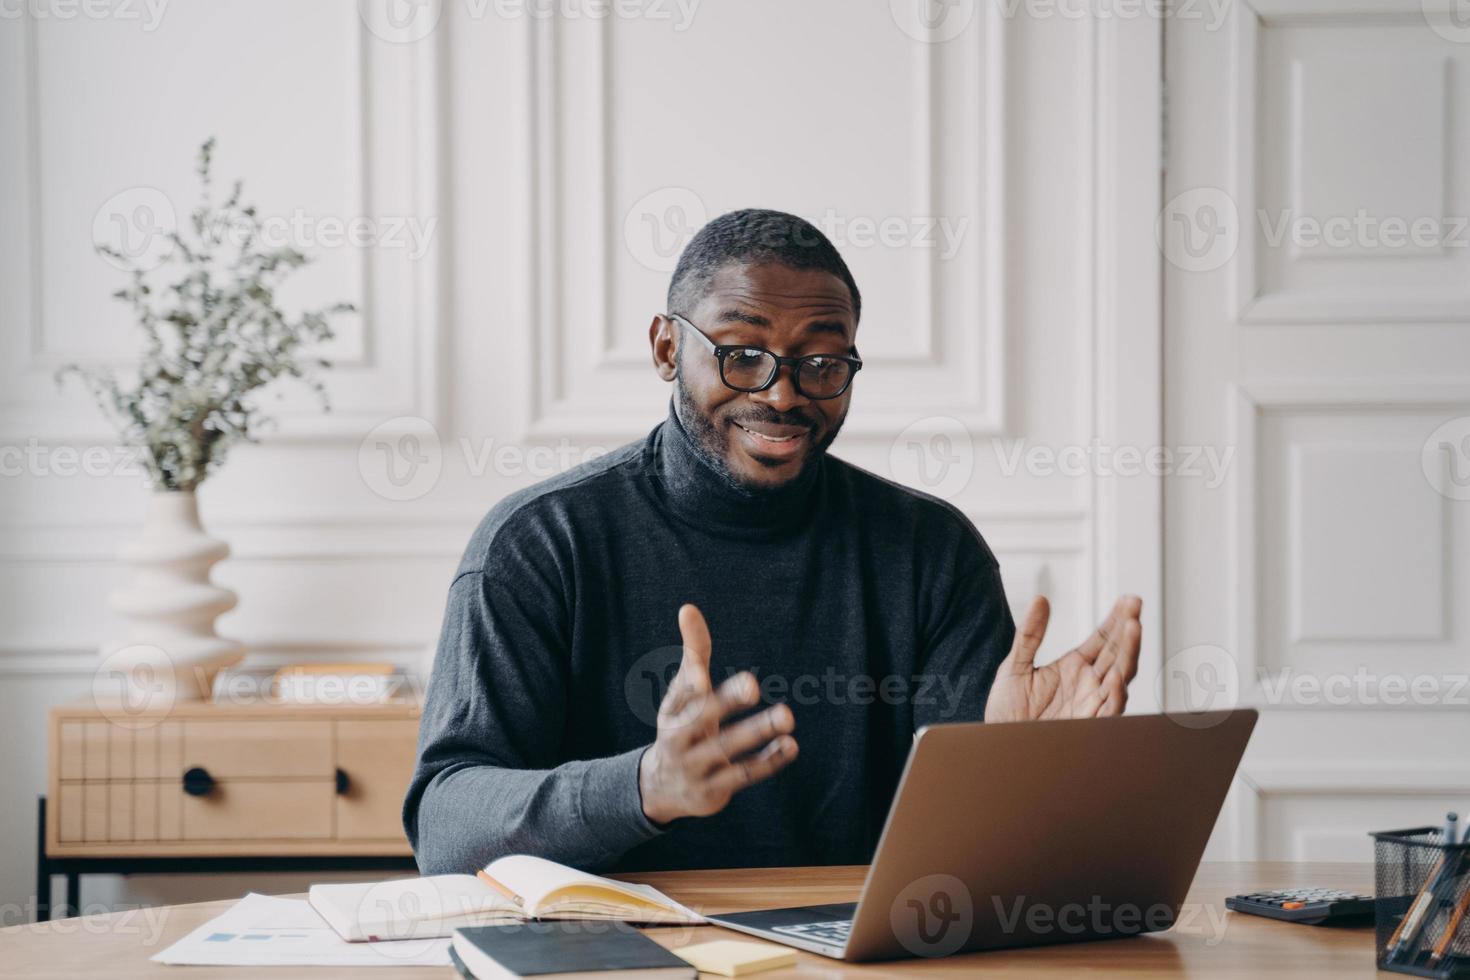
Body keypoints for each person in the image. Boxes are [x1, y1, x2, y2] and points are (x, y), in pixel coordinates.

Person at [404, 209, 1141, 874]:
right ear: (666, 347)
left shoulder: (930, 552)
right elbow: (445, 824)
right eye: (742, 353)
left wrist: (1027, 769)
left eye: (821, 363)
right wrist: (645, 786)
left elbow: (974, 868)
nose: (783, 394)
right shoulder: (539, 543)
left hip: (856, 962)